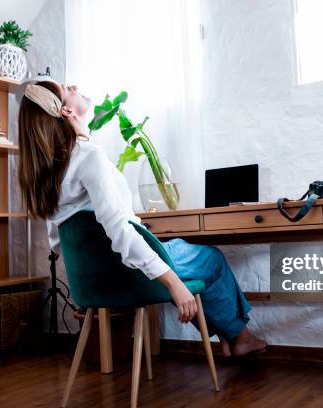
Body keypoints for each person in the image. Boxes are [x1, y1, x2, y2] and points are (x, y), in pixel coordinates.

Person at [17, 80, 267, 356]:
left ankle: (230, 338)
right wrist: (172, 282)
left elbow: (59, 244)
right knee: (211, 259)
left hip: (96, 283)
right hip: (128, 273)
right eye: (67, 89)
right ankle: (240, 337)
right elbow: (121, 231)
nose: (74, 86)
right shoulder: (89, 158)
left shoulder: (45, 176)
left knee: (188, 258)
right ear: (65, 112)